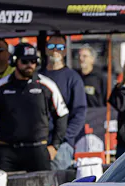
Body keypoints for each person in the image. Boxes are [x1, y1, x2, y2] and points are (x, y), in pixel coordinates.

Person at [0, 43, 69, 172]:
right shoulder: (0, 87)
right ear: (14, 61)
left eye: (33, 61)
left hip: (37, 150)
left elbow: (62, 115)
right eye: (25, 61)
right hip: (7, 151)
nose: (30, 65)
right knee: (1, 185)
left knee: (42, 185)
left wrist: (54, 146)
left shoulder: (47, 85)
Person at [40, 34, 87, 169]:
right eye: (51, 46)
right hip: (38, 144)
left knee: (58, 181)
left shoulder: (73, 78)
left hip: (61, 147)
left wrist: (61, 140)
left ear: (65, 51)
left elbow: (79, 113)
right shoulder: (38, 76)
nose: (55, 50)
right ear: (46, 49)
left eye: (60, 47)